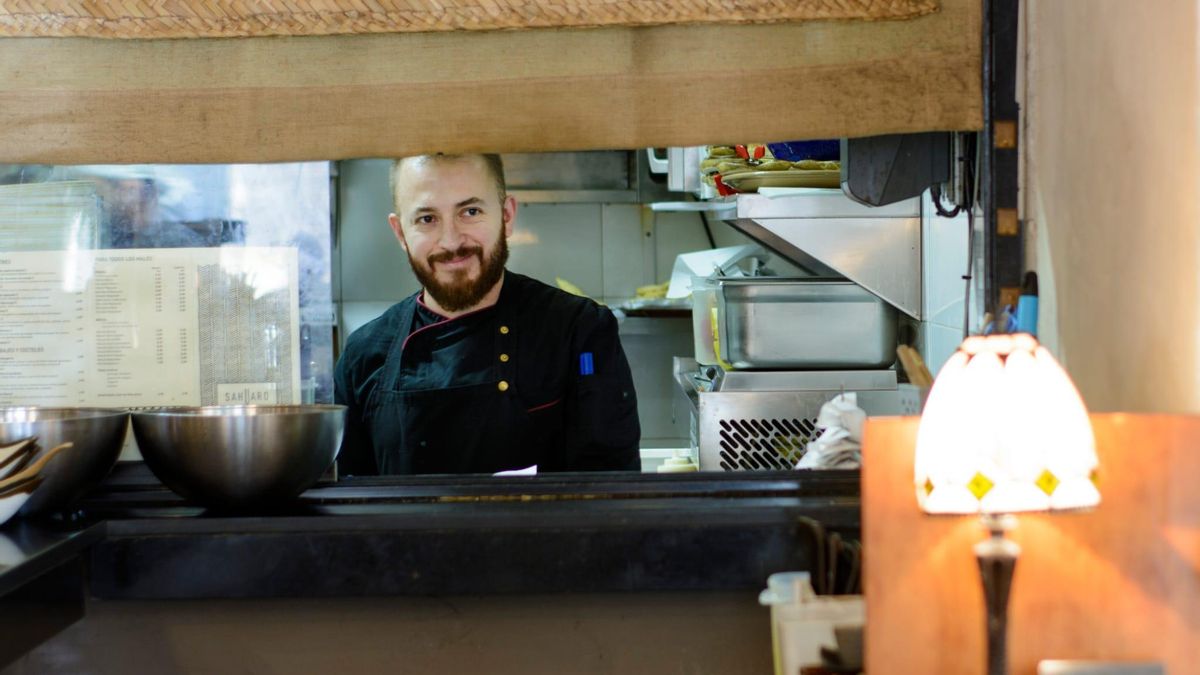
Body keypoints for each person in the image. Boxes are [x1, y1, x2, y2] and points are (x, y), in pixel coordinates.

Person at [334, 154, 641, 475]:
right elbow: (351, 497)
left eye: (470, 212)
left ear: (507, 216)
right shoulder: (363, 355)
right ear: (400, 232)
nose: (451, 241)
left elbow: (612, 488)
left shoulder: (577, 332)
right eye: (427, 218)